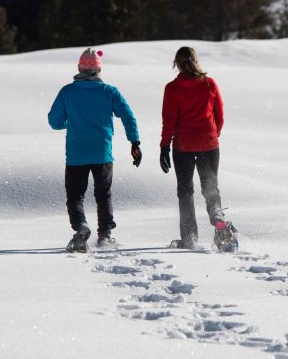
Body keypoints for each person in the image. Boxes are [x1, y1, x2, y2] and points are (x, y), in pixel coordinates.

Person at [49, 48, 142, 253]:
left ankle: (81, 227)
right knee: (103, 195)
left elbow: (54, 122)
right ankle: (105, 236)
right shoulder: (109, 91)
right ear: (99, 70)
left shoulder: (68, 91)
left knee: (75, 196)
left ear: (80, 68)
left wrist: (71, 123)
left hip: (76, 154)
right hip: (102, 152)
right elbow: (128, 116)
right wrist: (134, 141)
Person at [159, 46, 236, 251]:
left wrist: (164, 146)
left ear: (176, 63)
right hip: (209, 143)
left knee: (185, 191)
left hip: (183, 145)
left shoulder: (172, 88)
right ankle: (217, 216)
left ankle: (189, 238)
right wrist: (213, 134)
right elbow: (219, 114)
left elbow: (169, 121)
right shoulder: (209, 83)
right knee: (210, 187)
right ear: (195, 60)